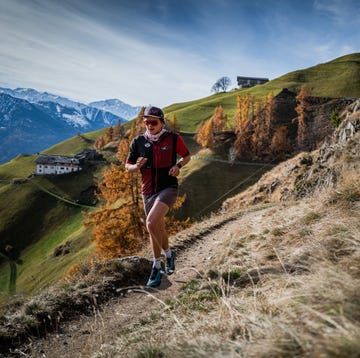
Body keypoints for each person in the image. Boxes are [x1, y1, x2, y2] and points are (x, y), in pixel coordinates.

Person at [125, 105, 191, 287]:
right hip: (147, 191)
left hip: (168, 187)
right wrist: (136, 167)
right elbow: (127, 166)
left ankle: (157, 265)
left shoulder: (173, 138)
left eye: (153, 122)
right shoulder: (138, 142)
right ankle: (166, 257)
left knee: (151, 223)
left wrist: (178, 166)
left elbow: (186, 156)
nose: (150, 125)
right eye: (146, 122)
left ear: (162, 122)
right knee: (157, 227)